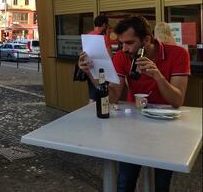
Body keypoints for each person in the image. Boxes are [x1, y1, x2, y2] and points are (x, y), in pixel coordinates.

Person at [78, 15, 190, 192]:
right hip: (134, 125)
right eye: (121, 43)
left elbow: (177, 101)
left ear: (146, 39)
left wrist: (158, 76)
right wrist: (91, 72)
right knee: (125, 182)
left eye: (129, 43)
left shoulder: (178, 54)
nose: (124, 48)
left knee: (160, 185)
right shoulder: (122, 56)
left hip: (166, 128)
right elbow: (113, 97)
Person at [86, 15, 112, 103]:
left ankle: (90, 111)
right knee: (102, 92)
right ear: (104, 25)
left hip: (90, 68)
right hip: (101, 69)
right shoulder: (104, 38)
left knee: (92, 94)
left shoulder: (88, 36)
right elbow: (110, 55)